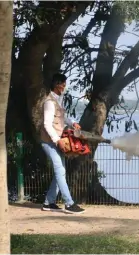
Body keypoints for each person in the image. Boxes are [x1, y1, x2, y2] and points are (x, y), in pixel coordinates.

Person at [40, 73, 85, 214]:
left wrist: (73, 123)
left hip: (56, 141)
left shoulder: (59, 100)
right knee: (60, 170)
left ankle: (49, 202)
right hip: (49, 141)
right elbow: (47, 124)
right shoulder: (49, 102)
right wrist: (57, 140)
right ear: (56, 85)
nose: (65, 86)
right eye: (63, 84)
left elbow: (63, 117)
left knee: (61, 171)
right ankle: (69, 203)